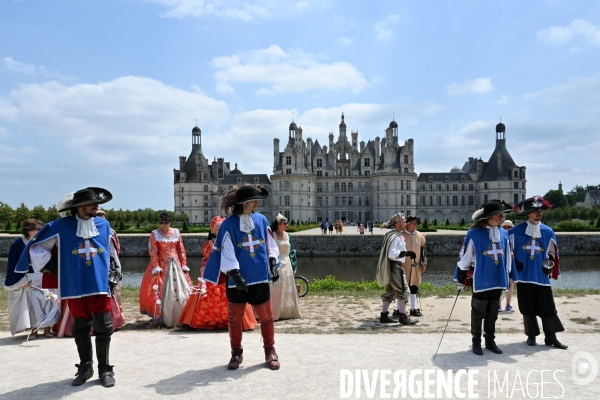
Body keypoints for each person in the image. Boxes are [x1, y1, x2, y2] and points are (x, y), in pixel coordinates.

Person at [15, 187, 119, 387]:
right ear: (79, 207)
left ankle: (105, 369)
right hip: (74, 285)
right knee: (80, 328)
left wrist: (114, 270)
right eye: (92, 204)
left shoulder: (103, 224)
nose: (96, 206)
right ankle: (85, 367)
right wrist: (53, 267)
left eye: (97, 203)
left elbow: (110, 249)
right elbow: (35, 246)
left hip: (99, 283)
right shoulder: (60, 226)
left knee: (104, 327)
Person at [203, 185, 281, 370]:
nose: (257, 203)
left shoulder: (261, 220)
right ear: (244, 203)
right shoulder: (228, 225)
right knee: (235, 319)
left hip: (260, 277)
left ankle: (270, 351)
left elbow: (270, 245)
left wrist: (272, 262)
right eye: (254, 200)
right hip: (237, 280)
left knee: (267, 317)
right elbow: (226, 251)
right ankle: (236, 353)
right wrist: (235, 275)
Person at [453, 200, 513, 356]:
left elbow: (507, 257)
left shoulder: (504, 233)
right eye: (497, 215)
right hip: (481, 278)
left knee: (493, 312)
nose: (501, 217)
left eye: (501, 214)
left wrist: (507, 273)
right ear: (488, 217)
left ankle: (490, 340)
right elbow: (466, 257)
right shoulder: (474, 233)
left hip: (498, 277)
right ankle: (476, 341)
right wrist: (462, 273)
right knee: (478, 311)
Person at [178, 216, 256, 331]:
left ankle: (235, 320)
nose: (220, 231)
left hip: (229, 275)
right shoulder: (209, 244)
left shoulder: (231, 243)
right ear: (212, 230)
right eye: (218, 229)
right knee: (208, 298)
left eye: (222, 228)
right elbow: (205, 259)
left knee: (232, 296)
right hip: (212, 275)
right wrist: (204, 267)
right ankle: (209, 320)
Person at [509, 196, 567, 349]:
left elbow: (552, 252)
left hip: (541, 276)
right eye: (535, 211)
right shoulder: (515, 232)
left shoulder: (548, 231)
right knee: (527, 307)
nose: (538, 213)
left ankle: (551, 337)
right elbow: (508, 251)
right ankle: (531, 336)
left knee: (547, 307)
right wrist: (514, 263)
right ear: (528, 213)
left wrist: (550, 263)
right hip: (524, 276)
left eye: (540, 210)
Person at [139, 212, 192, 327]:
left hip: (176, 265)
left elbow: (181, 250)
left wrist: (183, 264)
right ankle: (162, 316)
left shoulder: (177, 233)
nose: (164, 224)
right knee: (161, 290)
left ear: (170, 222)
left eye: (166, 222)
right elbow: (153, 252)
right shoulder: (155, 234)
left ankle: (180, 315)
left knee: (181, 290)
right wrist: (156, 266)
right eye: (162, 222)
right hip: (162, 266)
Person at [4, 219, 51, 338]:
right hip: (28, 278)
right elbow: (12, 264)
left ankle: (47, 329)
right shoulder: (18, 244)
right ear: (29, 231)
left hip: (44, 275)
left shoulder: (42, 241)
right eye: (38, 229)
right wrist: (21, 280)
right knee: (33, 305)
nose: (41, 231)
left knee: (48, 301)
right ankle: (34, 330)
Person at [376, 213, 418, 326]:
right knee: (403, 291)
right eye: (404, 222)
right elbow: (391, 254)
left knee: (391, 291)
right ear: (397, 223)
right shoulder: (395, 236)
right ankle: (403, 317)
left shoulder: (393, 234)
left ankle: (384, 316)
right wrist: (406, 253)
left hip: (392, 266)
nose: (406, 224)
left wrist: (406, 254)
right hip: (395, 267)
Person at [270, 213, 301, 320]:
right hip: (277, 264)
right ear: (278, 224)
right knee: (276, 289)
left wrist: (294, 265)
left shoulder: (288, 236)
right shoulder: (272, 235)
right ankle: (275, 312)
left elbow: (292, 251)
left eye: (287, 223)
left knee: (288, 288)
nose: (286, 225)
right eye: (284, 223)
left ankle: (288, 311)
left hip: (287, 263)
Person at [398, 216, 427, 318]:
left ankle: (413, 309)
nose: (415, 225)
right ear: (408, 224)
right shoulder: (400, 235)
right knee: (401, 288)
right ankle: (399, 310)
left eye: (416, 223)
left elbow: (423, 251)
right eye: (413, 223)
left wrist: (423, 263)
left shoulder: (420, 236)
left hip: (415, 266)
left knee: (414, 287)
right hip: (402, 265)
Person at [499, 219, 515, 313]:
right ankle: (498, 305)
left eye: (509, 227)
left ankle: (508, 304)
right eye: (505, 227)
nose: (507, 229)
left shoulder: (514, 237)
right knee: (500, 283)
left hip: (512, 262)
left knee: (511, 283)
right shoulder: (500, 236)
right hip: (502, 262)